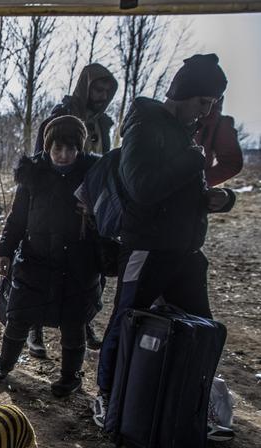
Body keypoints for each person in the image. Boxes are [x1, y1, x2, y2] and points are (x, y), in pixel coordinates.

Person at [91, 54, 235, 428]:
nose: (205, 113)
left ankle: (186, 403)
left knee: (201, 328)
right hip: (147, 248)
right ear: (183, 94)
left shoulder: (185, 133)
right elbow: (142, 187)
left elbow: (180, 191)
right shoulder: (143, 124)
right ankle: (107, 396)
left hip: (185, 252)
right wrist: (191, 161)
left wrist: (218, 200)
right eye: (203, 103)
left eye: (212, 106)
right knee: (126, 319)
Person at [0, 116, 102, 397]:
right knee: (18, 317)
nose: (64, 156)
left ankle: (70, 376)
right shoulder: (33, 175)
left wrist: (93, 214)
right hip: (35, 261)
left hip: (78, 265)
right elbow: (16, 219)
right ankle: (4, 363)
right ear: (48, 146)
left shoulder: (95, 174)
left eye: (71, 149)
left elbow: (112, 216)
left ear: (80, 148)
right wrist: (4, 250)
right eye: (58, 148)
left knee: (74, 324)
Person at [29, 63, 119, 357]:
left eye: (107, 91)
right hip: (55, 203)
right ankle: (35, 329)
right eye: (97, 89)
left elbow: (102, 163)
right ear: (85, 87)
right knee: (43, 266)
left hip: (88, 205)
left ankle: (83, 321)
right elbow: (41, 159)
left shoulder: (103, 124)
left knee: (89, 269)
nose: (102, 95)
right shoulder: (62, 116)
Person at [195, 96, 244, 187]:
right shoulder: (166, 113)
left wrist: (197, 183)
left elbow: (231, 163)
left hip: (187, 195)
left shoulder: (216, 123)